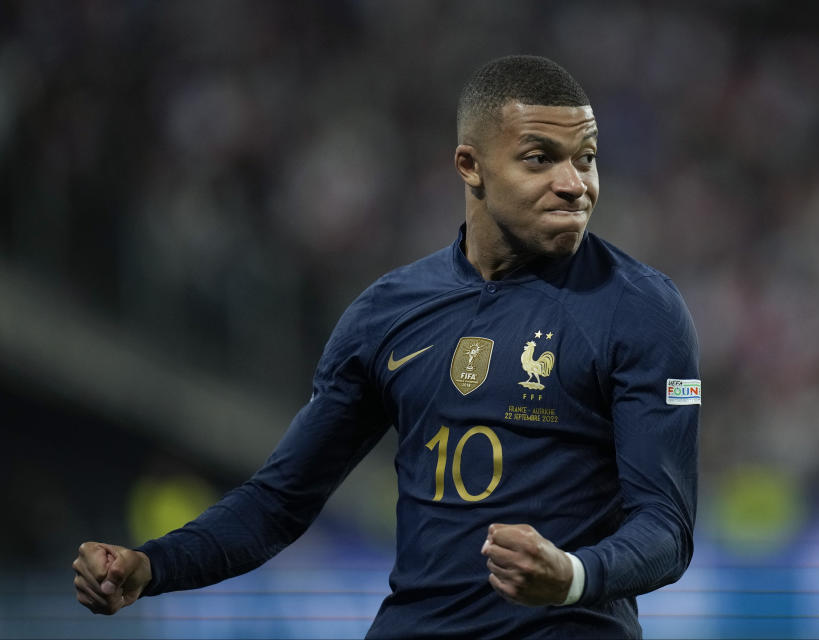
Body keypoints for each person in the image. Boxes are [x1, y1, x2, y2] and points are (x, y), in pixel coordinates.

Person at [72, 55, 700, 639]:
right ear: (470, 166)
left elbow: (666, 528)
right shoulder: (386, 314)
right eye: (540, 158)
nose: (574, 184)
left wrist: (571, 575)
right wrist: (152, 566)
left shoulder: (644, 311)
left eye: (585, 158)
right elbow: (279, 502)